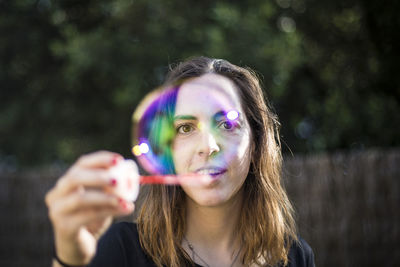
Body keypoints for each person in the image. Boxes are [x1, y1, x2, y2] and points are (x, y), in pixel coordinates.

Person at [45, 56, 315, 267]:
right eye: (186, 128)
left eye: (226, 124)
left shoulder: (294, 257)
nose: (208, 147)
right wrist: (69, 259)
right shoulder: (121, 251)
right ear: (167, 152)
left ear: (255, 143)